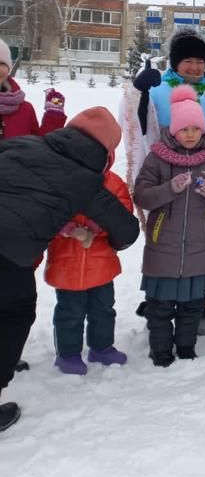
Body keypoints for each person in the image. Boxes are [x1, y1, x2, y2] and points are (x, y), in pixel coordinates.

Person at [0, 107, 140, 431]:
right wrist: (111, 242)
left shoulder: (21, 145)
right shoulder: (84, 181)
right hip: (9, 257)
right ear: (105, 152)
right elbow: (126, 230)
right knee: (11, 316)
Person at [121, 31, 205, 331]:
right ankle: (158, 305)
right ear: (174, 62)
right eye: (188, 61)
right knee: (167, 244)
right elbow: (141, 128)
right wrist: (139, 94)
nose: (195, 67)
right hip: (170, 181)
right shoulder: (158, 91)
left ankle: (202, 308)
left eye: (200, 61)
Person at [133, 85, 205, 366]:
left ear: (202, 129)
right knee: (160, 306)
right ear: (173, 130)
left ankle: (187, 348)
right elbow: (141, 195)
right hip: (162, 247)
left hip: (199, 247)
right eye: (184, 129)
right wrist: (169, 189)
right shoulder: (158, 158)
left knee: (191, 306)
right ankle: (161, 351)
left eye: (195, 128)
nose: (190, 134)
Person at [0, 39, 68, 373]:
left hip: (18, 214)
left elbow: (41, 148)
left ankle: (7, 353)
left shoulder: (22, 108)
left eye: (0, 63)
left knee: (15, 295)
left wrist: (53, 115)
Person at [45, 154, 134, 374]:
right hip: (67, 265)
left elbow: (123, 213)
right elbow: (45, 213)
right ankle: (68, 354)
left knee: (103, 310)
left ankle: (102, 347)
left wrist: (97, 228)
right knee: (70, 313)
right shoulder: (58, 180)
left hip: (101, 263)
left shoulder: (113, 183)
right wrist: (69, 229)